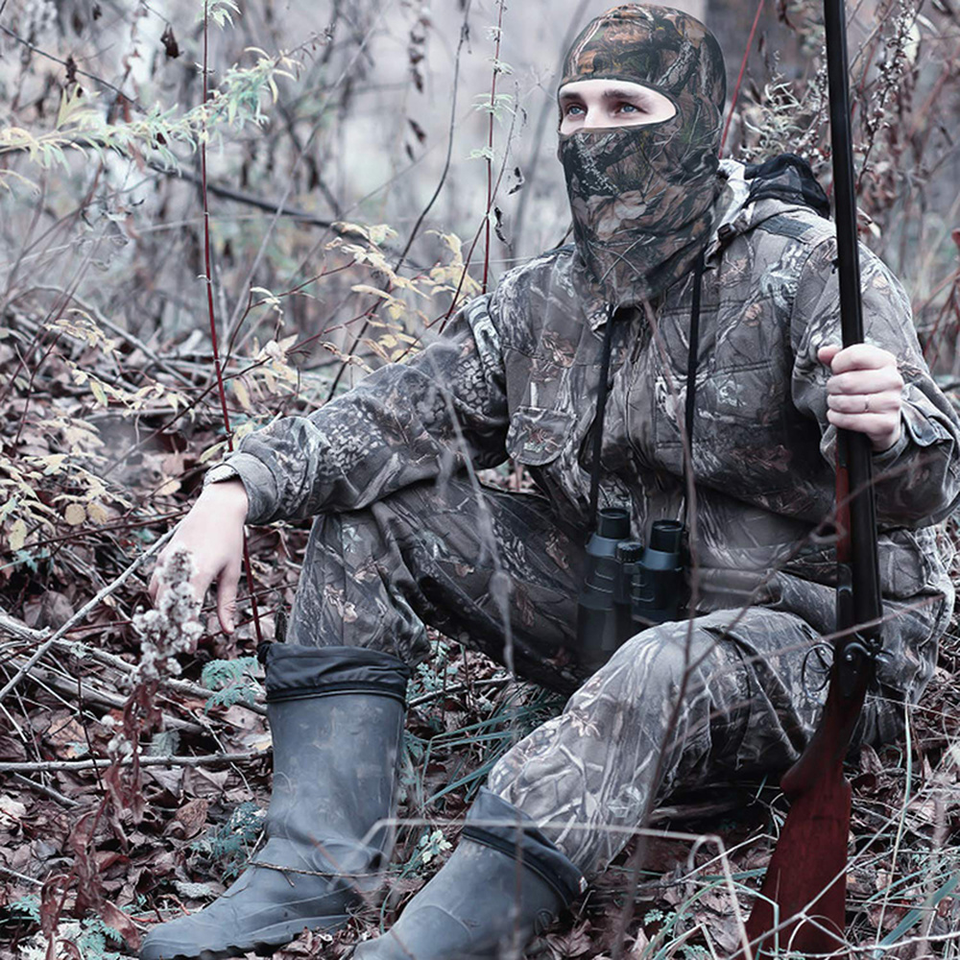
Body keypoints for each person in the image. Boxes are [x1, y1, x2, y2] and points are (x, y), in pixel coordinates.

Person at [139, 5, 960, 959]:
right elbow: (394, 418)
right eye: (575, 107)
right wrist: (235, 489)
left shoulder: (809, 268)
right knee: (371, 518)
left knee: (663, 669)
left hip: (818, 643)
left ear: (699, 121)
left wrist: (886, 427)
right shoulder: (548, 296)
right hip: (629, 613)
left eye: (626, 105)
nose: (592, 130)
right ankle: (308, 873)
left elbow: (923, 488)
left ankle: (433, 942)